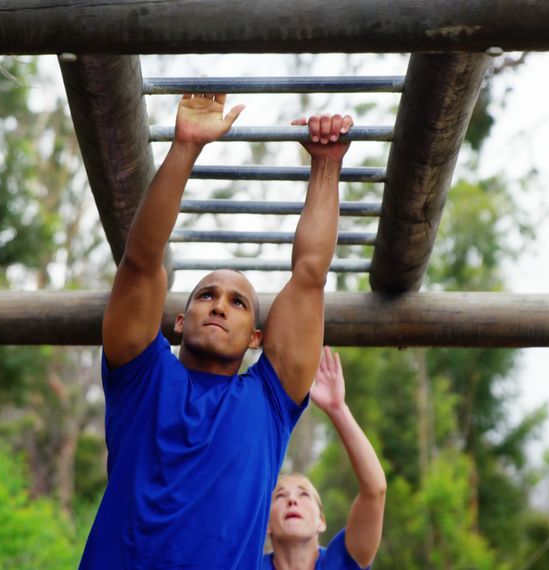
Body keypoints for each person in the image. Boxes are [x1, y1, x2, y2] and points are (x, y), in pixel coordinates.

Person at [77, 92, 354, 568]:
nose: (220, 306)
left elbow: (310, 273)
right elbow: (141, 262)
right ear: (179, 324)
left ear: (256, 338)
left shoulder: (269, 401)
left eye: (238, 302)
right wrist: (185, 146)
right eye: (206, 295)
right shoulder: (141, 378)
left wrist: (326, 165)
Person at [264, 347, 387, 569]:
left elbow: (375, 490)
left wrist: (337, 408)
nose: (292, 500)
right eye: (280, 497)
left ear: (321, 521)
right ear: (266, 525)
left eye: (304, 495)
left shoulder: (340, 562)